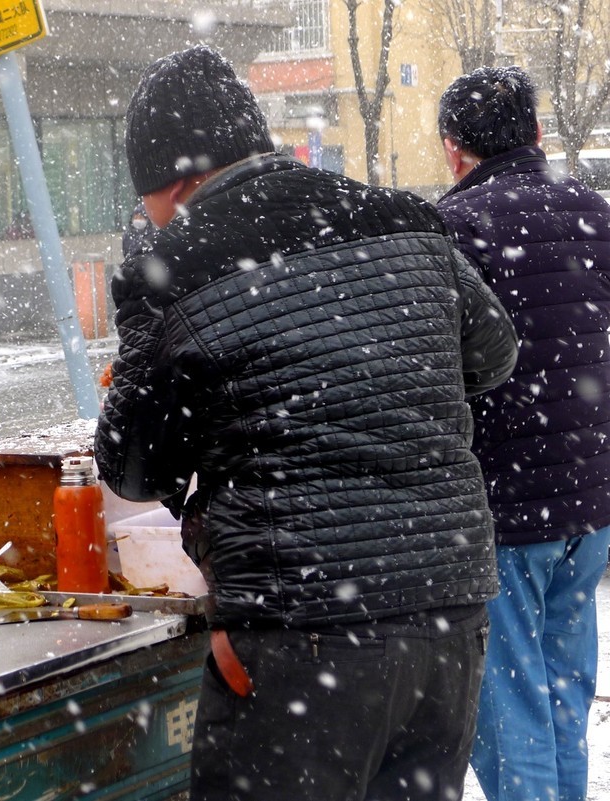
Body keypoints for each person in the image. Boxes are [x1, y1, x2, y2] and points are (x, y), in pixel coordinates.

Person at [94, 46, 519, 800]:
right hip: (445, 614)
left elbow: (132, 467)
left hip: (299, 631)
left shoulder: (175, 264)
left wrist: (140, 317)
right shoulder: (400, 214)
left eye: (147, 202)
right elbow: (493, 354)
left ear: (177, 181)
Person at [436, 65, 610, 801]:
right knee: (564, 697)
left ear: (453, 149)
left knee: (510, 713)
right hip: (591, 501)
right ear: (537, 133)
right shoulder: (594, 213)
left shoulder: (453, 228)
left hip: (504, 512)